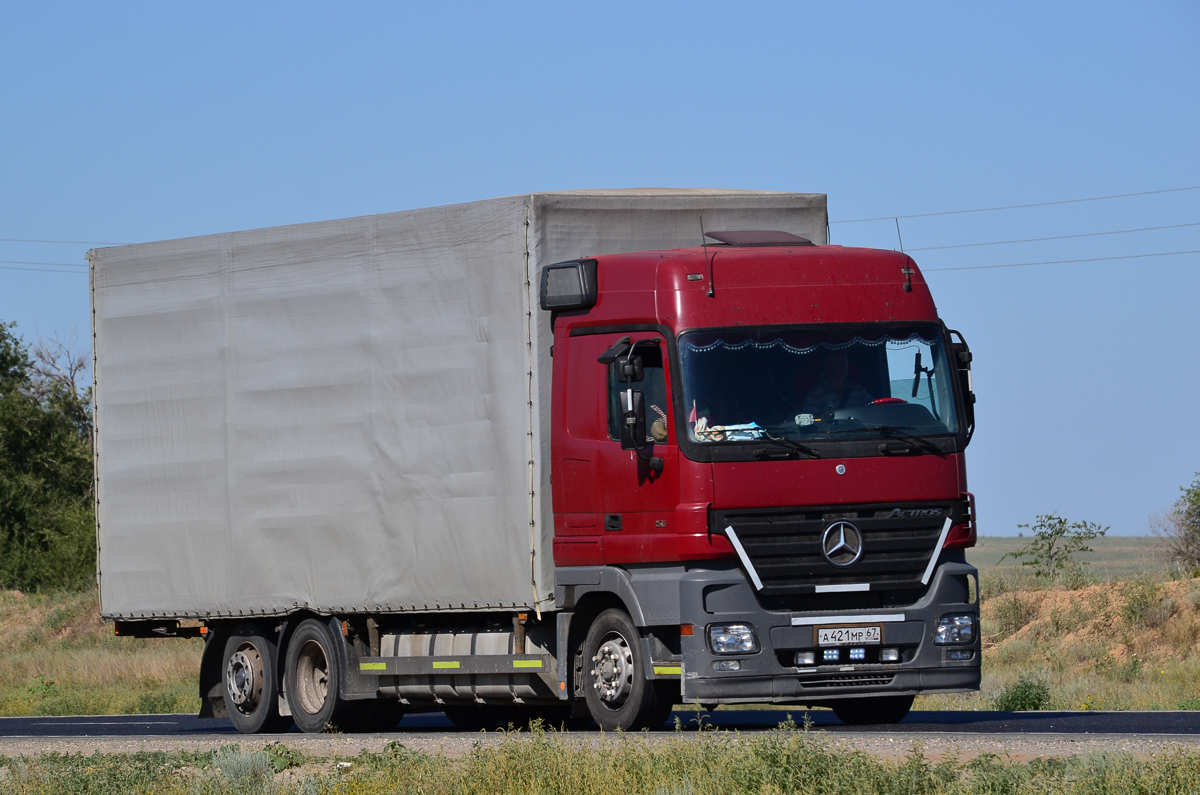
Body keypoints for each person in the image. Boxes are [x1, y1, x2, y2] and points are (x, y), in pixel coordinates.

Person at [802, 349, 873, 417]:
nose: (843, 364)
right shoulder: (816, 395)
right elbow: (809, 424)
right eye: (837, 361)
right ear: (826, 366)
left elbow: (874, 412)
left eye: (844, 360)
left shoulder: (859, 391)